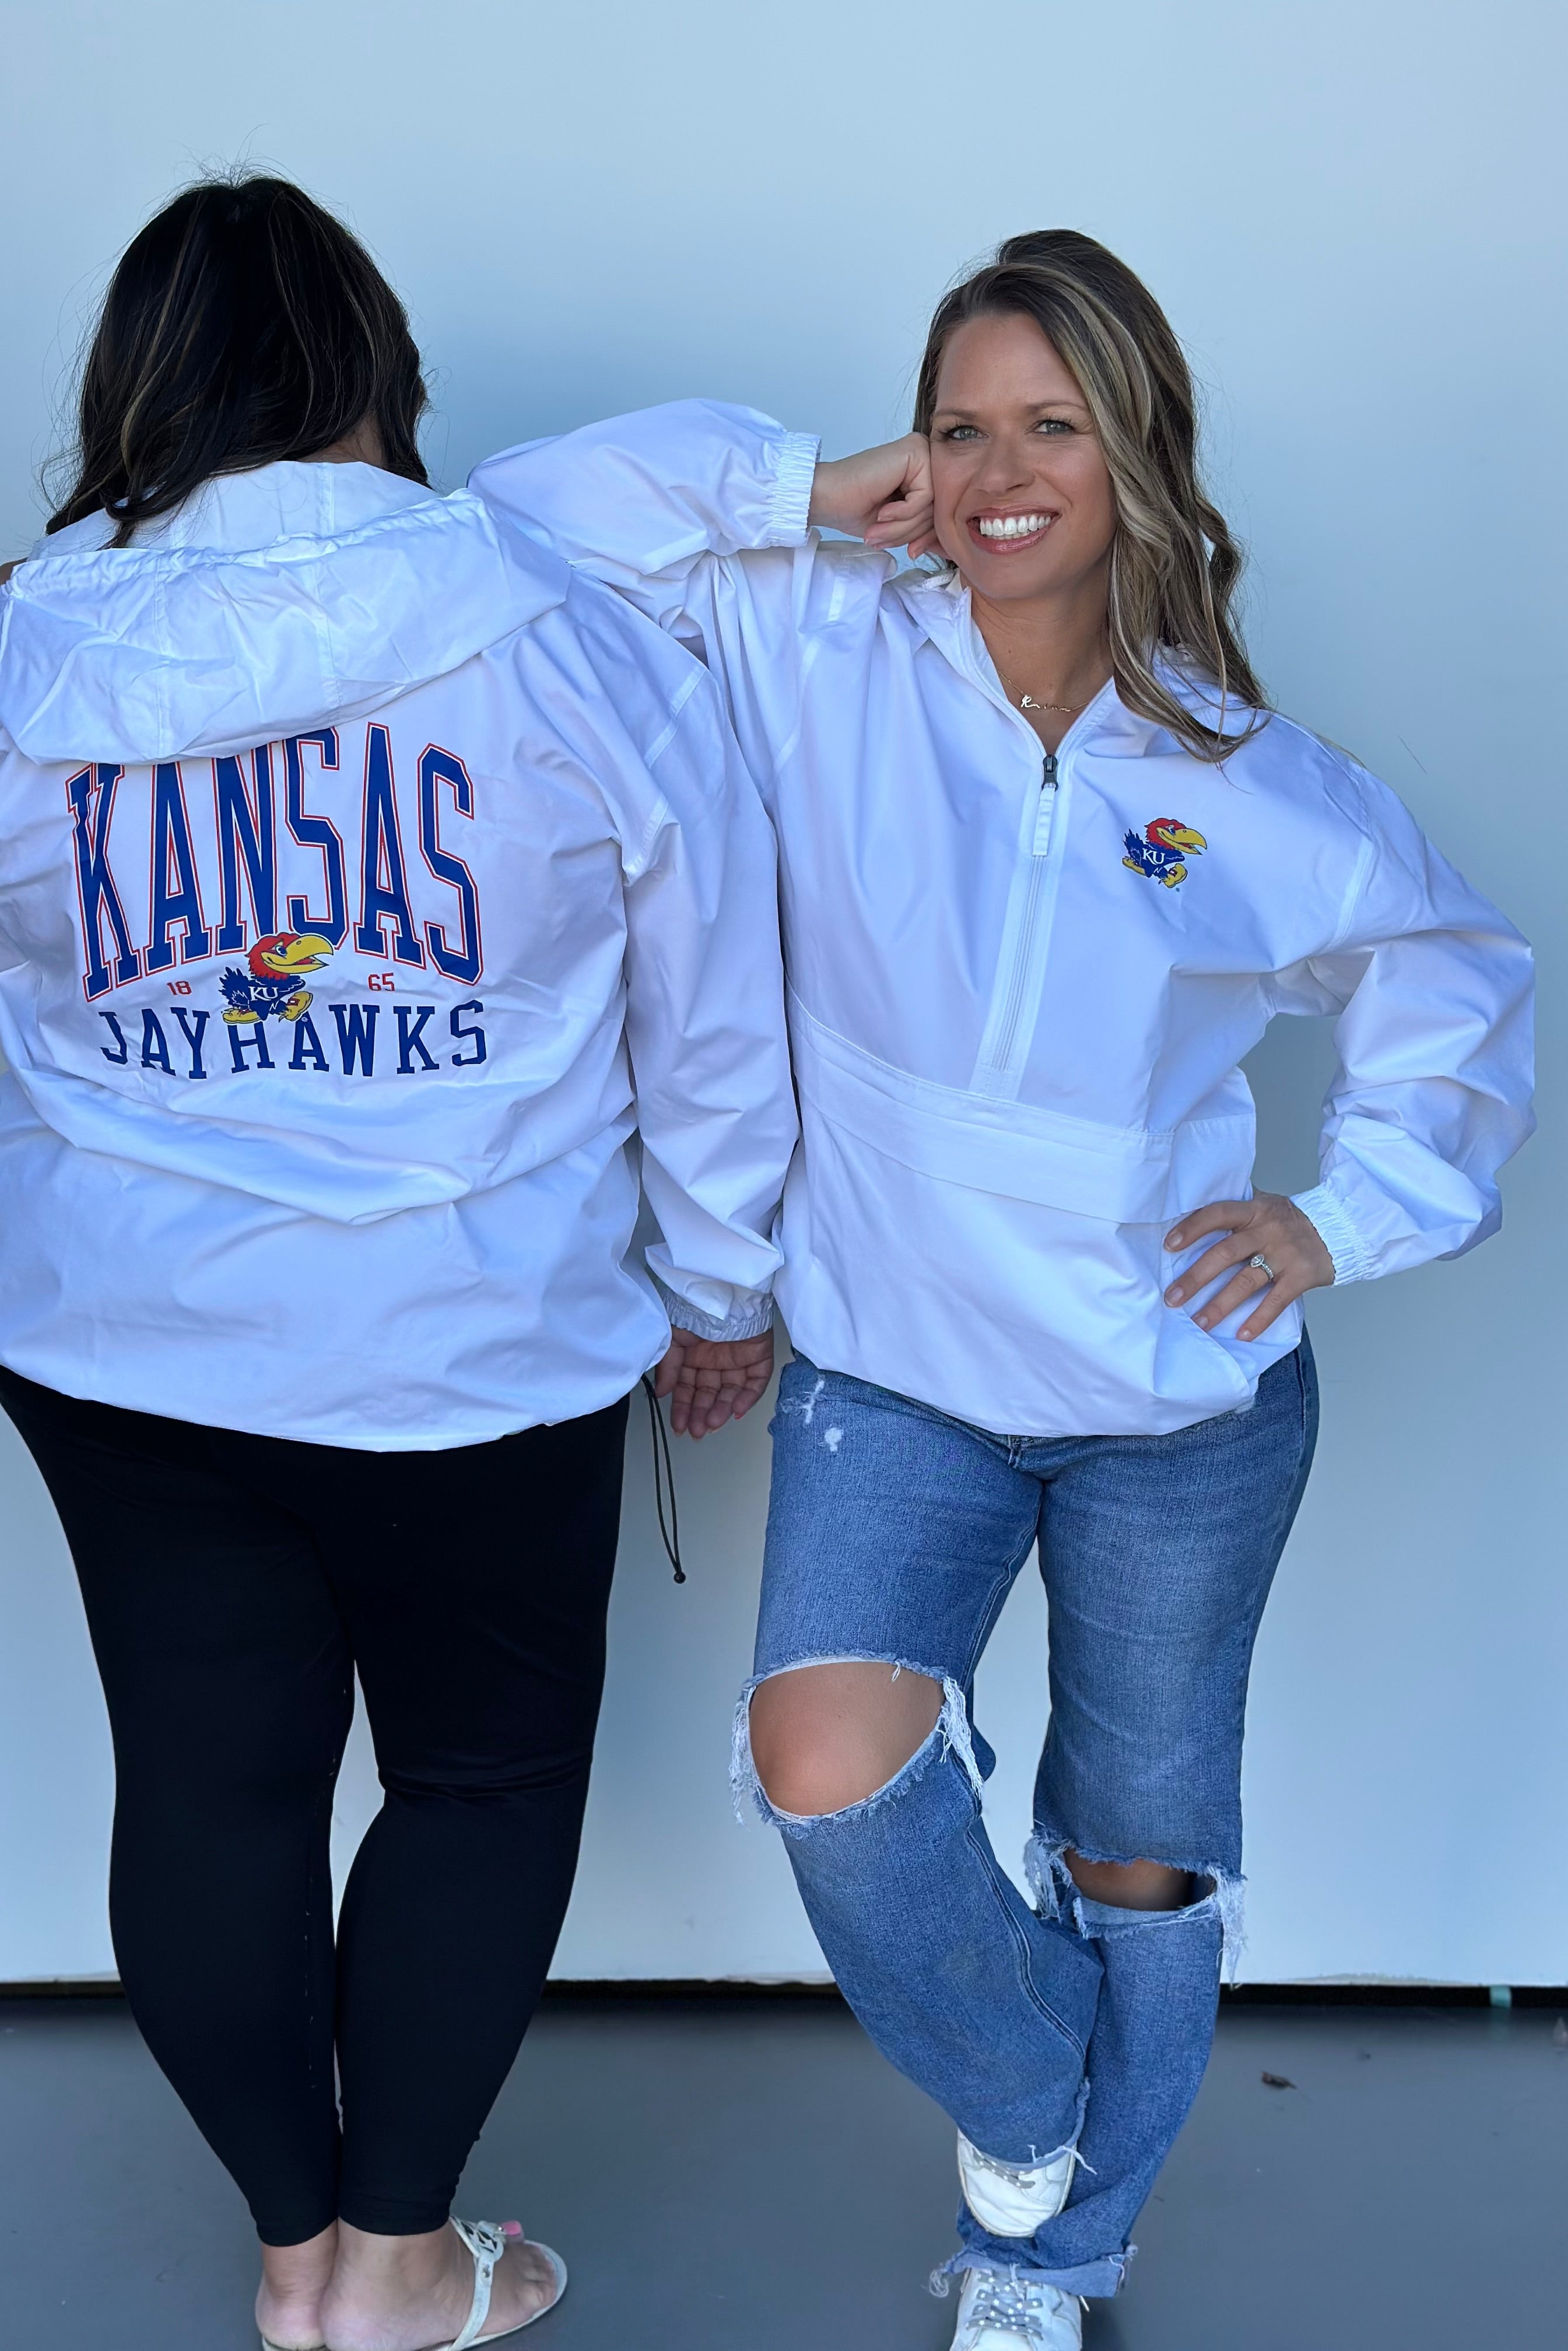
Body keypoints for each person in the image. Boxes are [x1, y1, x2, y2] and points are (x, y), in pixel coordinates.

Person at [470, 230, 1535, 2348]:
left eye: (1051, 426)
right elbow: (518, 528)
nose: (998, 473)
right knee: (825, 1765)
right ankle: (1043, 2093)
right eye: (960, 429)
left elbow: (1457, 984)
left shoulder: (1249, 781)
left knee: (1140, 1849)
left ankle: (1049, 2261)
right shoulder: (815, 644)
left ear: (1140, 454)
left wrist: (1346, 1215)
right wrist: (800, 487)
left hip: (1184, 1408)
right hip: (895, 1369)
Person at [0, 174, 795, 2351]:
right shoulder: (562, 631)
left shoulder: (5, 655)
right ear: (381, 369)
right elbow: (716, 1002)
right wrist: (724, 1287)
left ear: (135, 384)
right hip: (480, 1335)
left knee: (207, 1787)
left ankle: (293, 2262)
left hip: (128, 1337)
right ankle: (400, 2269)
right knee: (478, 1781)